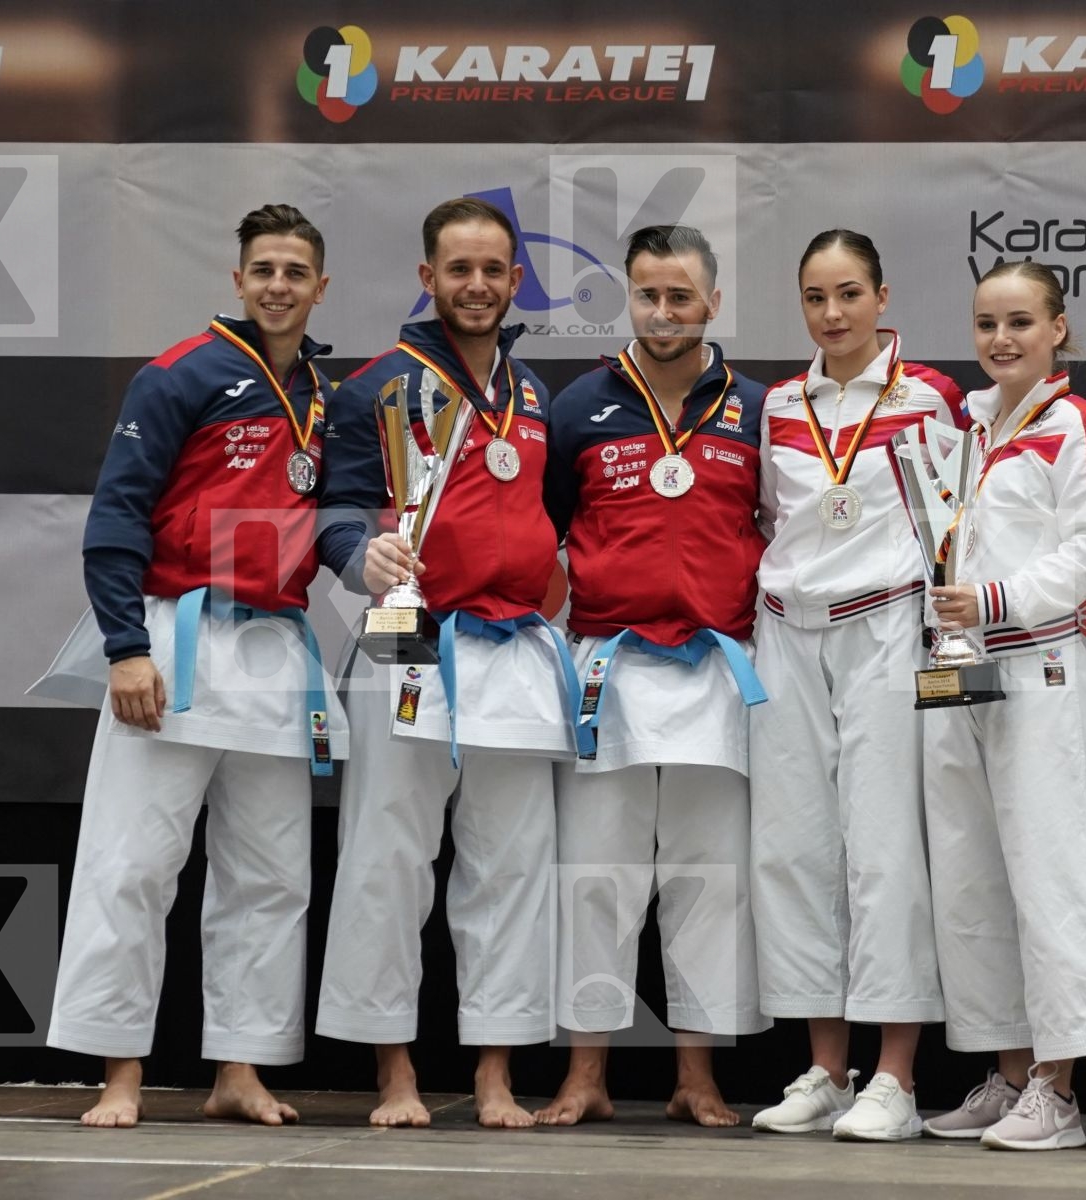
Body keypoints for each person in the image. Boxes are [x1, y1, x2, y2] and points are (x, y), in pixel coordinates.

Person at [39, 203, 341, 1129]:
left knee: (271, 876)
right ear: (238, 278)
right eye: (264, 270)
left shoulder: (330, 393)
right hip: (177, 639)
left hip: (278, 649)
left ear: (320, 286)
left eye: (296, 271)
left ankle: (239, 1071)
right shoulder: (181, 374)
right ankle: (120, 1076)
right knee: (132, 866)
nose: (279, 285)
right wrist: (126, 648)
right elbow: (117, 517)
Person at [314, 197, 576, 1130]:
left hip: (511, 646)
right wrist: (361, 556)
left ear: (515, 282)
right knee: (388, 857)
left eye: (493, 270)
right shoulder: (376, 387)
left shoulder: (536, 393)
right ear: (428, 279)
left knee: (512, 864)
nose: (476, 286)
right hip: (408, 641)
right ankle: (394, 1075)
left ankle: (497, 1075)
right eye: (458, 270)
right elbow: (335, 512)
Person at [533, 225, 770, 1128]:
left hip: (718, 667)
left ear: (713, 302)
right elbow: (541, 532)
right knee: (596, 873)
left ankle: (697, 1075)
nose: (662, 312)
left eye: (680, 296)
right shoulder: (577, 408)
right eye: (646, 295)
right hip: (609, 667)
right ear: (627, 298)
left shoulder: (758, 408)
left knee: (711, 877)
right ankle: (586, 1071)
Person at [748, 230, 965, 1142]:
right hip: (788, 636)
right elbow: (773, 519)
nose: (832, 314)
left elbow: (959, 525)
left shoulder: (932, 397)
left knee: (884, 851)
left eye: (848, 294)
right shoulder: (779, 404)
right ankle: (826, 1069)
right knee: (794, 852)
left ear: (882, 296)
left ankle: (896, 1078)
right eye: (814, 297)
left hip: (886, 630)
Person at [920, 261, 1086, 1150]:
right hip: (956, 674)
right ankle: (1009, 1078)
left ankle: (1059, 1088)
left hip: (1038, 665)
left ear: (1058, 329)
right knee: (971, 883)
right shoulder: (962, 428)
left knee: (1052, 881)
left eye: (1018, 323)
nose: (1000, 339)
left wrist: (997, 599)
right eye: (985, 323)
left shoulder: (1079, 423)